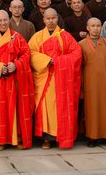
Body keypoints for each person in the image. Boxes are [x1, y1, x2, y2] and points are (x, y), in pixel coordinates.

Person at [28, 8, 82, 149]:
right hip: (45, 78)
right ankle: (46, 138)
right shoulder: (37, 37)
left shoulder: (66, 37)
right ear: (44, 20)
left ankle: (61, 136)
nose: (51, 21)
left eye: (53, 18)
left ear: (57, 19)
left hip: (62, 79)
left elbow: (76, 54)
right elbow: (30, 53)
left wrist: (58, 61)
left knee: (61, 108)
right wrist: (47, 61)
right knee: (45, 108)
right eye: (48, 18)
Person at [0, 10, 34, 150]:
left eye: (5, 20)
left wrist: (16, 65)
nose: (3, 23)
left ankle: (17, 138)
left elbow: (26, 54)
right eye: (0, 20)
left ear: (8, 21)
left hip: (14, 79)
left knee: (15, 108)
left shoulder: (17, 37)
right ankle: (1, 140)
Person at [78, 18, 106, 147]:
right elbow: (79, 68)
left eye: (98, 26)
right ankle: (92, 137)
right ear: (87, 28)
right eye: (93, 26)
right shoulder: (81, 44)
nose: (96, 28)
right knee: (92, 109)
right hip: (90, 83)